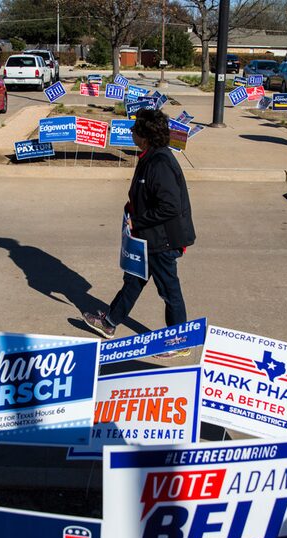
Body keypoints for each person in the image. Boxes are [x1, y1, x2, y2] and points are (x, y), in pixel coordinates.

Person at [82, 108, 196, 357]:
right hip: (148, 237)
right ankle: (109, 323)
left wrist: (138, 221)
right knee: (133, 280)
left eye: (134, 130)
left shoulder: (160, 163)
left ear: (144, 136)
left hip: (162, 240)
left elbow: (170, 207)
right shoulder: (150, 156)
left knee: (169, 291)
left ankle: (180, 340)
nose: (131, 133)